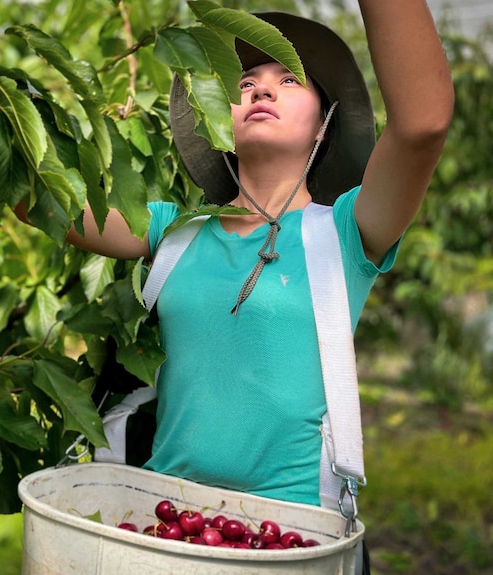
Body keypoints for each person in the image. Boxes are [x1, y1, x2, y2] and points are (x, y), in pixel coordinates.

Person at [46, 0, 453, 511]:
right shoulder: (175, 229)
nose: (261, 88)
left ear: (324, 124)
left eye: (289, 81)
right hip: (166, 519)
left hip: (294, 529)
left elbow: (422, 127)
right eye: (244, 84)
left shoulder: (346, 231)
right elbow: (45, 204)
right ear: (219, 120)